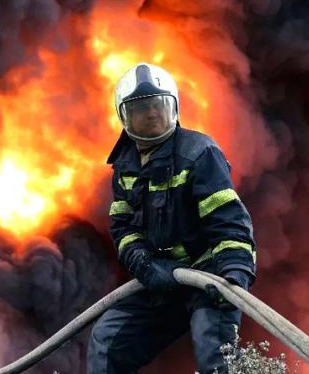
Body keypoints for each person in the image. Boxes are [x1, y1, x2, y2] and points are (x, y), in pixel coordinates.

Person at [87, 63, 256, 374]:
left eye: (158, 105)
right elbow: (123, 229)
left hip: (209, 278)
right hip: (162, 279)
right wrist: (145, 265)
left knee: (216, 358)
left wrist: (233, 278)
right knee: (107, 340)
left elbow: (229, 223)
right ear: (124, 117)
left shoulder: (199, 153)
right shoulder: (124, 167)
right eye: (142, 109)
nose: (152, 114)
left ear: (174, 107)